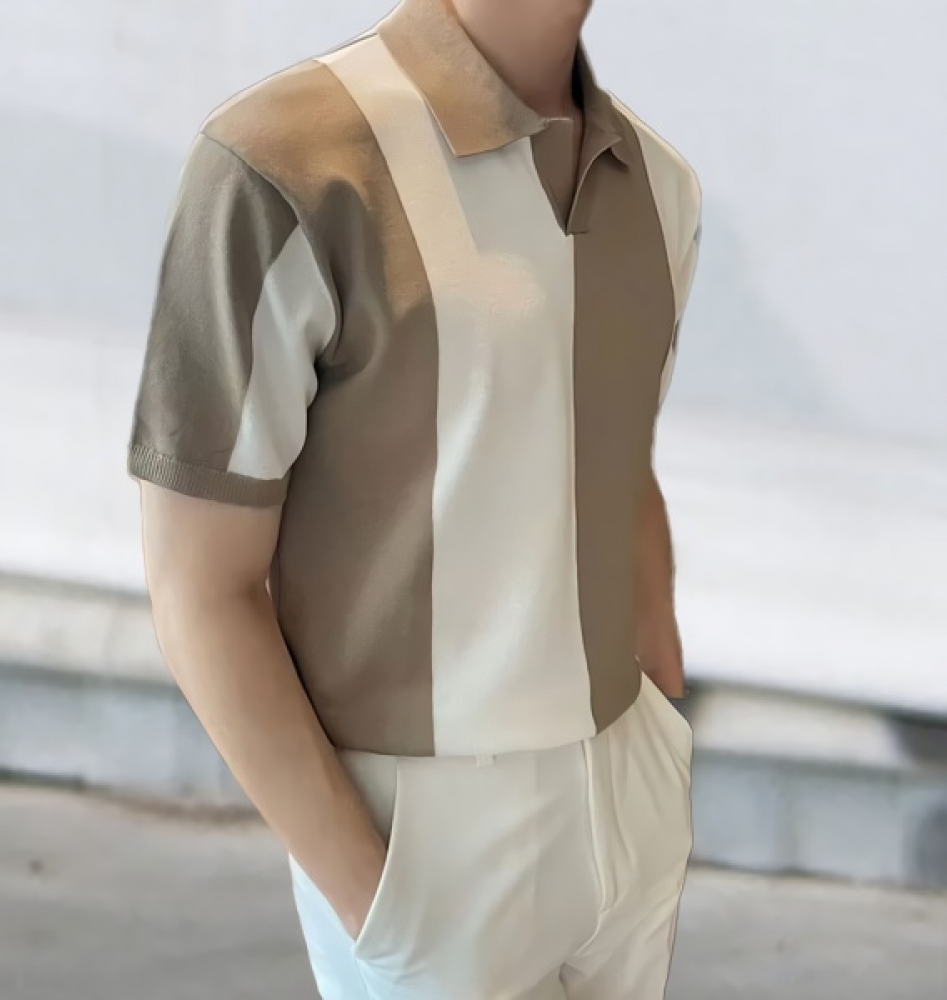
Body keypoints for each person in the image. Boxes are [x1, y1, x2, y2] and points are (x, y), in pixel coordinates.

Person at [126, 0, 702, 995]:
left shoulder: (659, 184)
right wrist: (371, 897)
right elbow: (197, 585)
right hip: (422, 831)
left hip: (626, 796)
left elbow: (611, 454)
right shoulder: (281, 164)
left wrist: (656, 726)